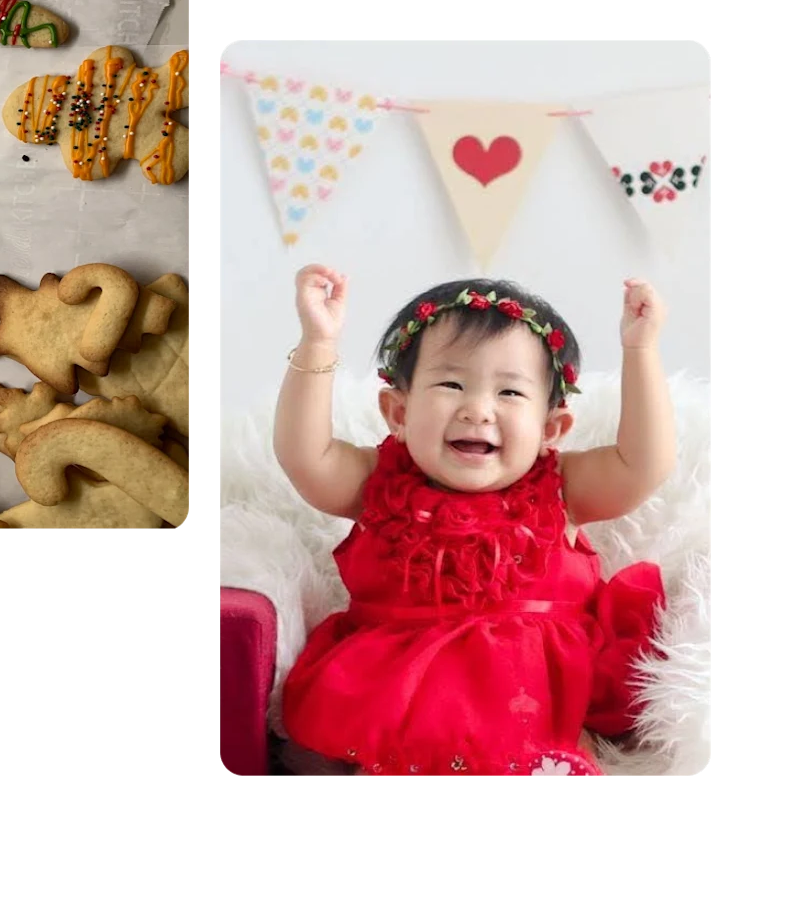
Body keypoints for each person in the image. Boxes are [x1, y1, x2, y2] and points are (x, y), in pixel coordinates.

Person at [274, 268, 672, 780]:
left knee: (558, 764)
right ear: (397, 411)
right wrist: (317, 342)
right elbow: (305, 456)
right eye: (451, 383)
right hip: (399, 717)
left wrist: (641, 353)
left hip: (536, 712)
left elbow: (643, 465)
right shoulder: (375, 482)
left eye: (509, 393)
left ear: (552, 429)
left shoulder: (563, 488)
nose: (478, 409)